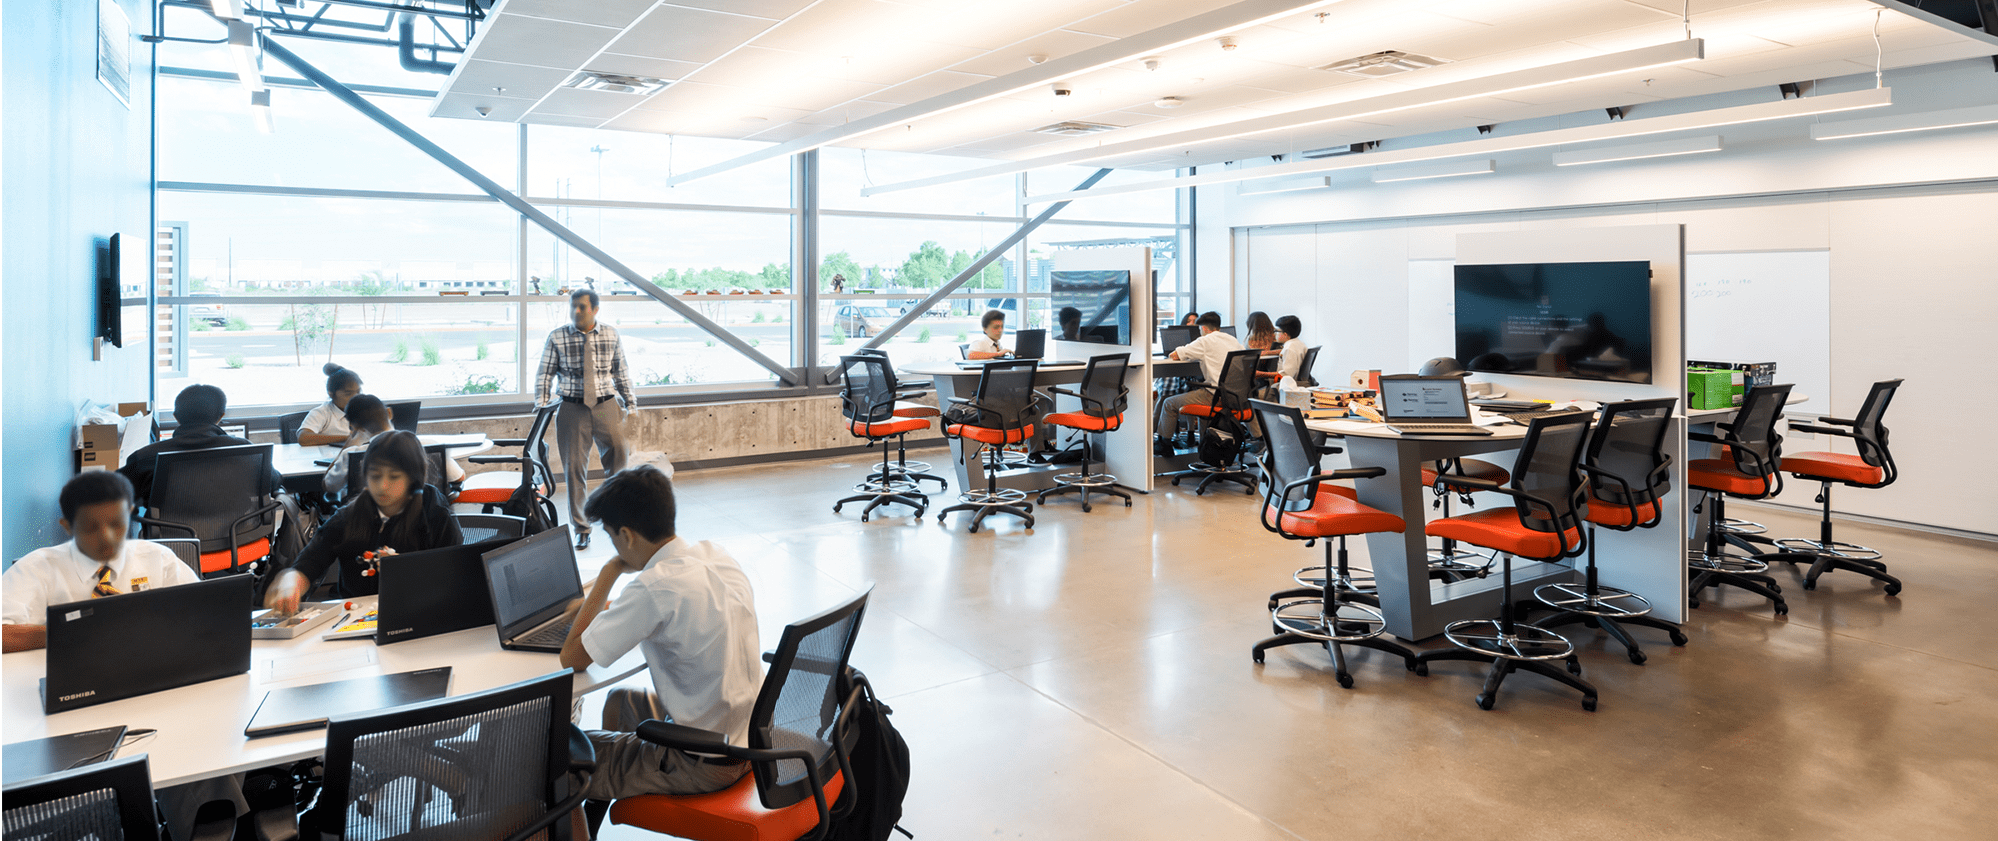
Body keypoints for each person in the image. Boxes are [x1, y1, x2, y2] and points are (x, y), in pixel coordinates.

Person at [558, 465, 763, 801]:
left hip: (699, 762)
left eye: (611, 536)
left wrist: (610, 571)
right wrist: (604, 607)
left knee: (557, 763)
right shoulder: (716, 557)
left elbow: (573, 658)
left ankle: (590, 791)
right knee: (621, 703)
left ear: (626, 535)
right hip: (748, 739)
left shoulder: (653, 587)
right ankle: (607, 793)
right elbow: (667, 609)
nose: (614, 546)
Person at [264, 431, 463, 613]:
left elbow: (453, 577)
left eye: (394, 477)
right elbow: (309, 563)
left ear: (414, 478)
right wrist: (292, 583)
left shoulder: (436, 515)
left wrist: (406, 571)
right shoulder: (348, 516)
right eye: (375, 476)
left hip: (420, 612)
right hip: (358, 616)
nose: (383, 486)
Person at [2, 472, 201, 653]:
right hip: (70, 671)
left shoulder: (158, 558)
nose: (107, 537)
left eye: (117, 524)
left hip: (147, 664)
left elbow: (203, 609)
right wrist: (73, 632)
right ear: (68, 526)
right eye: (90, 527)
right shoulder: (35, 569)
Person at [535, 288, 635, 551]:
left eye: (582, 307)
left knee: (618, 463)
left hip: (606, 405)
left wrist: (631, 403)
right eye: (573, 306)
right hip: (572, 408)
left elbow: (621, 371)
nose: (576, 311)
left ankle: (617, 520)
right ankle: (582, 528)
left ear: (595, 309)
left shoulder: (611, 334)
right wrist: (542, 402)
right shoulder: (557, 337)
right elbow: (545, 373)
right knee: (574, 469)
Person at [120, 384, 283, 502]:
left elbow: (112, 492)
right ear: (220, 417)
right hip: (239, 539)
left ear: (176, 416)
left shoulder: (146, 457)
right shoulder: (247, 451)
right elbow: (273, 482)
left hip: (172, 543)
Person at [321, 394, 462, 496]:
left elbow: (329, 486)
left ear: (355, 427)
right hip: (424, 528)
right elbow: (458, 478)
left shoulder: (352, 455)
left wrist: (347, 446)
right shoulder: (427, 446)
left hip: (372, 531)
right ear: (389, 412)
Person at [1158, 311, 1245, 455]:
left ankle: (1164, 446)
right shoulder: (1233, 340)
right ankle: (1205, 447)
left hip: (1215, 396)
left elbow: (1175, 355)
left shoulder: (1204, 341)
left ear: (1203, 329)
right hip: (1236, 396)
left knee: (1169, 403)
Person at [298, 363, 364, 446]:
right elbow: (303, 438)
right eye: (348, 393)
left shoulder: (363, 410)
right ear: (331, 394)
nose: (355, 397)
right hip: (328, 457)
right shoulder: (322, 412)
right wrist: (348, 438)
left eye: (358, 392)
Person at [1259, 315, 1309, 384]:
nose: (1274, 334)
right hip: (1297, 383)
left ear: (1285, 334)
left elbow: (1285, 375)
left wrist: (1260, 374)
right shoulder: (1299, 344)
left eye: (1277, 331)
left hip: (1286, 386)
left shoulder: (1289, 349)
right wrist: (1268, 353)